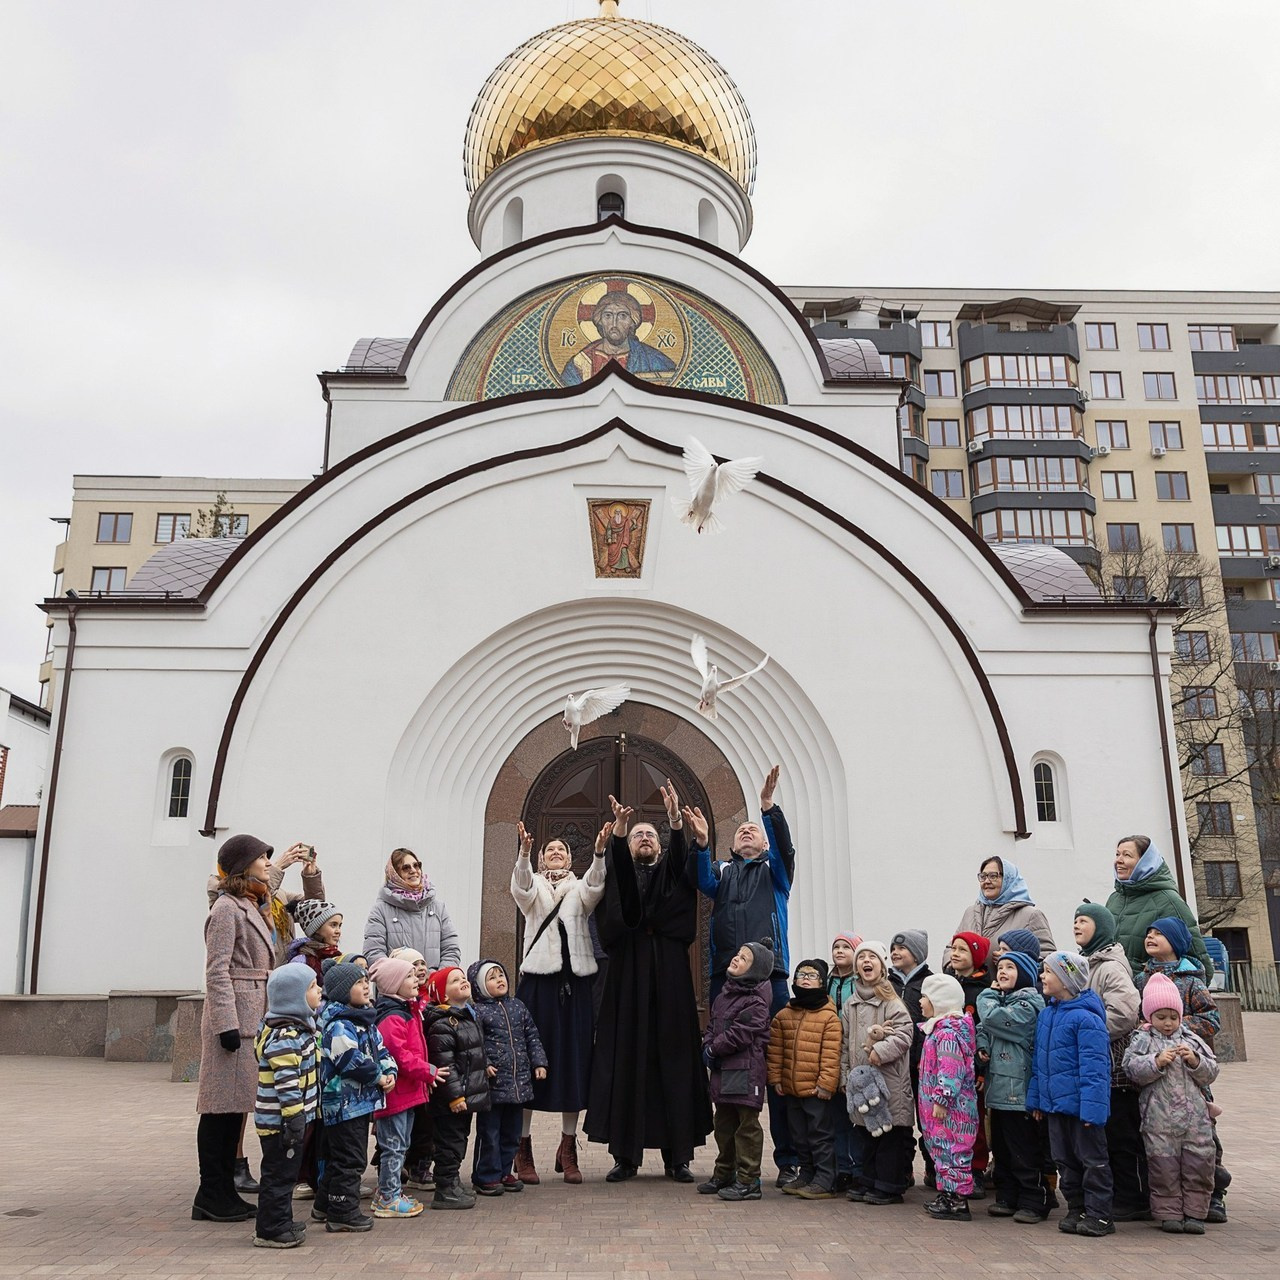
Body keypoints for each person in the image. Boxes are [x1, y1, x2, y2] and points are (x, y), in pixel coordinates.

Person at [585, 785, 712, 1183]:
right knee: (627, 1058)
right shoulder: (619, 875)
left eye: (650, 835)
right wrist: (618, 834)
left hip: (671, 979)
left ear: (659, 846)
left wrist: (676, 824)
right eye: (638, 834)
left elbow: (679, 864)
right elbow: (617, 883)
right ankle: (626, 1156)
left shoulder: (673, 872)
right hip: (627, 979)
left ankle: (679, 1158)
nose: (644, 839)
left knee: (674, 1061)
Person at [696, 766, 799, 1187]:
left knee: (773, 1069)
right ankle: (732, 1166)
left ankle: (789, 1160)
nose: (746, 833)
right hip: (726, 976)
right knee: (729, 1068)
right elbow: (701, 879)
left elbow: (785, 847)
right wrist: (702, 844)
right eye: (740, 831)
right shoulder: (723, 872)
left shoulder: (775, 872)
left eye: (753, 830)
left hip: (769, 976)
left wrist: (768, 809)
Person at [510, 820, 606, 1185]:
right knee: (530, 1062)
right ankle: (523, 1147)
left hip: (574, 985)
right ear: (540, 857)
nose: (555, 854)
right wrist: (522, 855)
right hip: (538, 984)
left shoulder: (578, 887)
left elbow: (595, 887)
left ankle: (568, 1146)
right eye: (549, 850)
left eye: (561, 851)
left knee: (573, 1061)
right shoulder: (534, 886)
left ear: (569, 858)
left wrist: (598, 854)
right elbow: (521, 888)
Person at [194, 834, 278, 1224]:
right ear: (244, 864)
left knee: (234, 1110)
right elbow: (217, 970)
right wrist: (226, 1023)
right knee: (219, 1111)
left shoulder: (248, 904)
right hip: (234, 1020)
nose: (267, 862)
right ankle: (211, 1192)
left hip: (252, 1015)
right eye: (262, 857)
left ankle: (223, 1191)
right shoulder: (227, 909)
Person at [1122, 973, 1220, 1234]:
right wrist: (1156, 1062)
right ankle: (1168, 1213)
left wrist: (1195, 1061)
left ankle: (1196, 1212)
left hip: (1195, 1120)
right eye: (1161, 1017)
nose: (1168, 1023)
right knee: (1163, 1168)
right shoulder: (1142, 1040)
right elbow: (1131, 1069)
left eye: (1173, 1017)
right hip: (1159, 1120)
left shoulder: (1192, 1040)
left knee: (1198, 1165)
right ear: (1149, 1017)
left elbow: (1211, 1071)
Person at [1027, 952, 1113, 1238]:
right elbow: (1039, 1063)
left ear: (1065, 979)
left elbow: (1096, 1069)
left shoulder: (1085, 1019)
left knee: (1092, 1160)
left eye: (1048, 972)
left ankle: (1099, 1215)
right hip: (1055, 1107)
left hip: (1081, 1110)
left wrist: (1093, 1111)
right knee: (1064, 1160)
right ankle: (1077, 1208)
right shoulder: (1048, 1014)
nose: (1042, 976)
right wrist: (1037, 1100)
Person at [1073, 903, 1144, 1221]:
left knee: (1121, 1135)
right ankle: (1118, 1193)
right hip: (1098, 1065)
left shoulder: (1110, 967)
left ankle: (1133, 1197)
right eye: (1074, 920)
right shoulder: (1088, 964)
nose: (1076, 925)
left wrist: (1092, 1035)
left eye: (1084, 920)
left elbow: (1126, 1011)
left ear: (1101, 927)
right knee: (1108, 1133)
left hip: (1114, 1067)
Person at [316, 962, 394, 1233]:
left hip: (359, 1104)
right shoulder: (339, 1025)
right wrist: (377, 1077)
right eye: (358, 983)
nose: (365, 987)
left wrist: (390, 1070)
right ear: (341, 991)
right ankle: (342, 1213)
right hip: (342, 1103)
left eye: (365, 982)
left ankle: (325, 1204)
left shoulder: (364, 1018)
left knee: (345, 1155)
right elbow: (349, 1059)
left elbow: (381, 1050)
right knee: (350, 1159)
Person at [697, 939, 775, 1202]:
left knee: (746, 1127)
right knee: (724, 1124)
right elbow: (713, 1027)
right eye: (738, 954)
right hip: (724, 1070)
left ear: (755, 971)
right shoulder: (723, 996)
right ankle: (724, 1172)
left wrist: (714, 1048)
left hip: (745, 1070)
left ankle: (748, 1179)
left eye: (744, 958)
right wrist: (707, 1043)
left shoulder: (756, 1002)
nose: (736, 959)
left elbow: (740, 1034)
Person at [251, 964, 322, 1249]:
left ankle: (281, 1220)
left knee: (286, 1173)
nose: (320, 991)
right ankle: (270, 1230)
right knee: (278, 1175)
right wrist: (294, 1119)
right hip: (281, 1122)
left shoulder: (300, 1030)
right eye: (313, 987)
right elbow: (286, 1083)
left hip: (292, 1120)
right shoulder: (286, 1037)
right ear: (294, 997)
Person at [976, 952, 1049, 1222]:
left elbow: (997, 1020)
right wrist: (982, 1045)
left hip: (1019, 1093)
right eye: (1000, 967)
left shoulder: (1028, 1005)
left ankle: (1034, 1198)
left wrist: (986, 996)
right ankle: (1007, 1195)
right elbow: (985, 1027)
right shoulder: (1001, 1001)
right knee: (1003, 1148)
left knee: (1023, 1149)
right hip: (998, 1090)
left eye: (1010, 967)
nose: (1002, 971)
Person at [840, 941, 914, 1207]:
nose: (866, 961)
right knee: (868, 1135)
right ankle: (870, 1180)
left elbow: (905, 1034)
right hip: (861, 1083)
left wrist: (880, 1051)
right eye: (862, 958)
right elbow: (845, 1042)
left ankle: (890, 1185)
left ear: (882, 965)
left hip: (889, 1081)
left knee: (889, 1137)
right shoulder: (851, 1003)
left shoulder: (891, 1000)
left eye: (872, 957)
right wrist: (845, 1074)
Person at [466, 959, 548, 1195]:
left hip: (517, 1084)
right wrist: (485, 1064)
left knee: (511, 1133)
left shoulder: (517, 1006)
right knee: (489, 1133)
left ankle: (504, 1171)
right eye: (491, 978)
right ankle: (485, 1175)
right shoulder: (478, 1011)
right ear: (479, 986)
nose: (499, 980)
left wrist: (539, 1062)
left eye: (500, 974)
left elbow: (532, 1036)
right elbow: (475, 1043)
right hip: (493, 1085)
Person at [767, 958, 842, 1200]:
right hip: (791, 1088)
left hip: (816, 1090)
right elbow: (776, 1052)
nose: (806, 979)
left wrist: (826, 1084)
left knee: (819, 1134)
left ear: (822, 982)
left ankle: (825, 1177)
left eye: (812, 976)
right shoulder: (784, 1015)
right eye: (801, 975)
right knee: (799, 1134)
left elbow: (831, 1055)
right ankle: (806, 1173)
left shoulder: (829, 1017)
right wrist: (776, 1078)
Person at [369, 954, 436, 1219]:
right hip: (396, 1092)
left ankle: (390, 1189)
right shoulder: (393, 1016)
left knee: (400, 1143)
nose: (415, 979)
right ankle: (389, 1197)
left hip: (407, 1092)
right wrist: (427, 1072)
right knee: (394, 1145)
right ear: (394, 983)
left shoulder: (408, 1010)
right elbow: (400, 1054)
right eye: (408, 976)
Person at [424, 965, 491, 1210]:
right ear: (442, 994)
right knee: (449, 1142)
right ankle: (444, 1188)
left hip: (466, 1094)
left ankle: (452, 1181)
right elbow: (445, 1064)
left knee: (460, 1139)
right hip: (451, 1099)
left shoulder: (467, 1016)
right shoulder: (443, 1023)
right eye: (455, 981)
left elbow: (473, 1051)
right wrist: (454, 1096)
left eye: (463, 978)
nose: (463, 981)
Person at [1106, 836, 1214, 981]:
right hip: (1113, 992)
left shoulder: (1168, 901)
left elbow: (1198, 963)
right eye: (1117, 854)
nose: (1118, 860)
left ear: (1145, 862)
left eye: (1127, 855)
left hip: (1150, 996)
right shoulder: (1115, 899)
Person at [916, 973, 979, 1221]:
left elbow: (951, 1070)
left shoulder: (948, 1034)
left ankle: (957, 1200)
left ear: (939, 1000)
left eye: (925, 997)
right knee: (942, 1152)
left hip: (952, 1111)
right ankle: (947, 1193)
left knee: (954, 1151)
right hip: (938, 1111)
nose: (920, 1002)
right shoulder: (938, 1030)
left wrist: (942, 1099)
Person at [944, 931, 992, 1195]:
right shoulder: (947, 984)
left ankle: (975, 1170)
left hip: (972, 1067)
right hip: (948, 1065)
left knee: (973, 1122)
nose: (955, 953)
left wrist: (981, 1070)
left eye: (962, 950)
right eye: (953, 948)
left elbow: (983, 1032)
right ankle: (949, 1168)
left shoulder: (981, 991)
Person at [363, 848, 462, 969]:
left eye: (417, 865)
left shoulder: (439, 908)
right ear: (395, 874)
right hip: (397, 986)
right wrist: (406, 978)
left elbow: (451, 950)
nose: (414, 871)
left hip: (434, 986)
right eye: (406, 868)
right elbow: (374, 954)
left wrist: (435, 979)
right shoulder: (380, 910)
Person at [889, 929, 934, 1188]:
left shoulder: (930, 982)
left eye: (902, 948)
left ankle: (933, 1167)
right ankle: (903, 1170)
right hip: (896, 1065)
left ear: (916, 954)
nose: (895, 952)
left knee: (927, 1121)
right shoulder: (887, 983)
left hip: (923, 1064)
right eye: (893, 947)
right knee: (900, 1121)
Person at [561, 288, 678, 385]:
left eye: (622, 316)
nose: (614, 323)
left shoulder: (652, 359)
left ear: (633, 322)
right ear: (599, 321)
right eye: (608, 315)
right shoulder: (580, 362)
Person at [956, 857, 1055, 954]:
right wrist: (952, 966)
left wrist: (1012, 962)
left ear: (1008, 878)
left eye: (993, 876)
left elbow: (1046, 956)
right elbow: (951, 947)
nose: (986, 881)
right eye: (983, 876)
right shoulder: (970, 912)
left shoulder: (1030, 915)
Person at [827, 930, 863, 1190]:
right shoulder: (826, 981)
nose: (839, 951)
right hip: (832, 1050)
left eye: (846, 947)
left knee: (858, 1118)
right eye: (836, 947)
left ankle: (860, 1168)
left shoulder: (861, 982)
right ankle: (843, 1168)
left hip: (856, 1050)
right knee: (838, 1117)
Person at [287, 900, 344, 978]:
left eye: (339, 926)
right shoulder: (301, 962)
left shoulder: (337, 957)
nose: (338, 931)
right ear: (316, 928)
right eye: (333, 925)